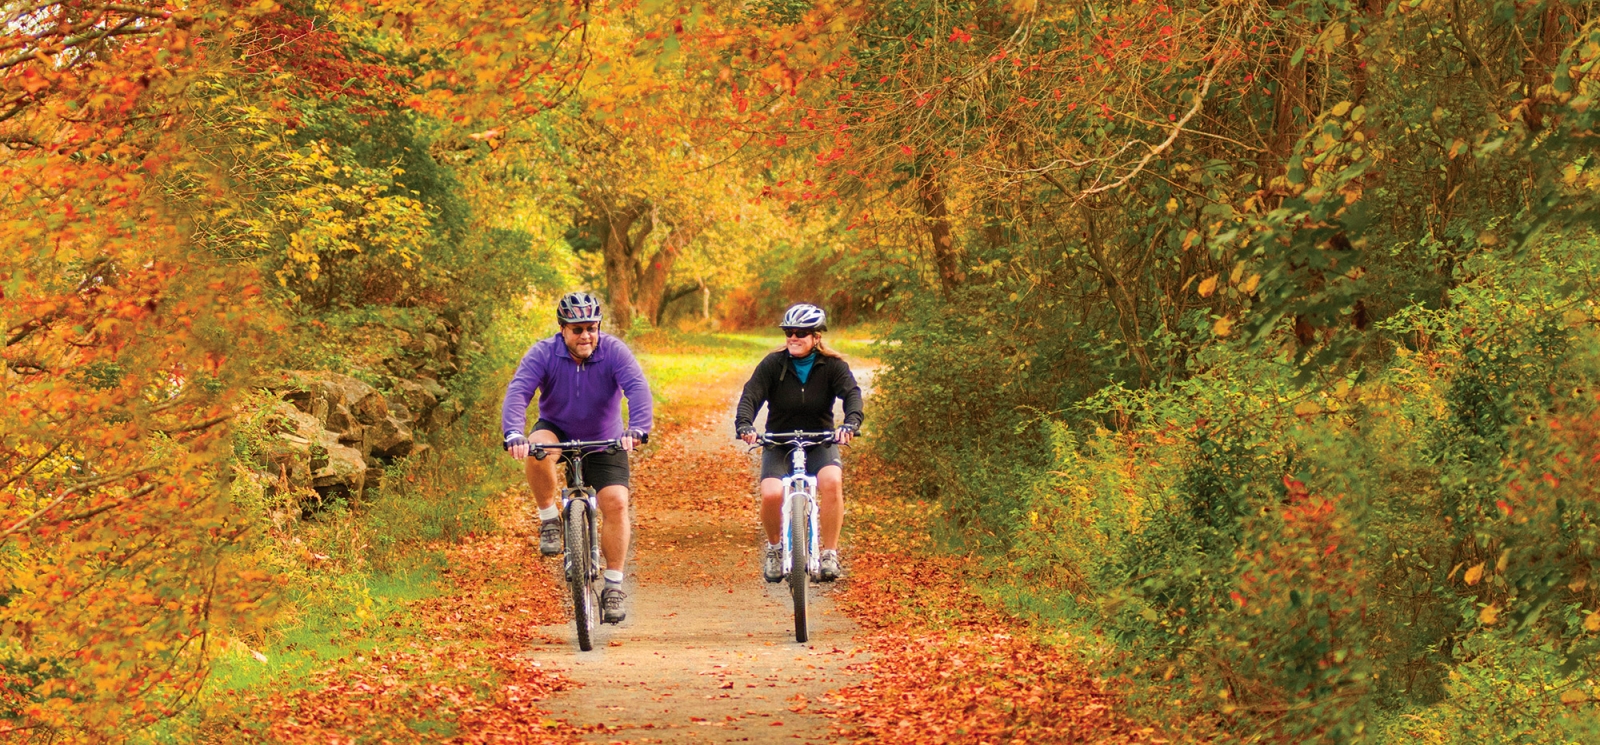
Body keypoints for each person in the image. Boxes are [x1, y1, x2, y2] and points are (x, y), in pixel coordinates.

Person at [501, 291, 653, 624]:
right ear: (562, 330)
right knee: (536, 448)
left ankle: (613, 586)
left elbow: (637, 388)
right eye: (577, 329)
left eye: (591, 328)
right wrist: (513, 432)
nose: (586, 335)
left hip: (604, 439)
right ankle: (549, 521)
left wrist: (637, 428)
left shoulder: (613, 351)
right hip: (557, 429)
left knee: (615, 503)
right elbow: (519, 391)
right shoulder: (543, 353)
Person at [735, 303, 864, 583]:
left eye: (801, 333)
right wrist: (744, 424)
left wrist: (851, 424)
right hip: (779, 441)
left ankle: (829, 552)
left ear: (816, 337)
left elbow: (852, 394)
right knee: (771, 493)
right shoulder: (773, 364)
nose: (793, 337)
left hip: (820, 439)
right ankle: (774, 548)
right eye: (789, 332)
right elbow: (751, 395)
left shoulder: (832, 366)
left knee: (831, 482)